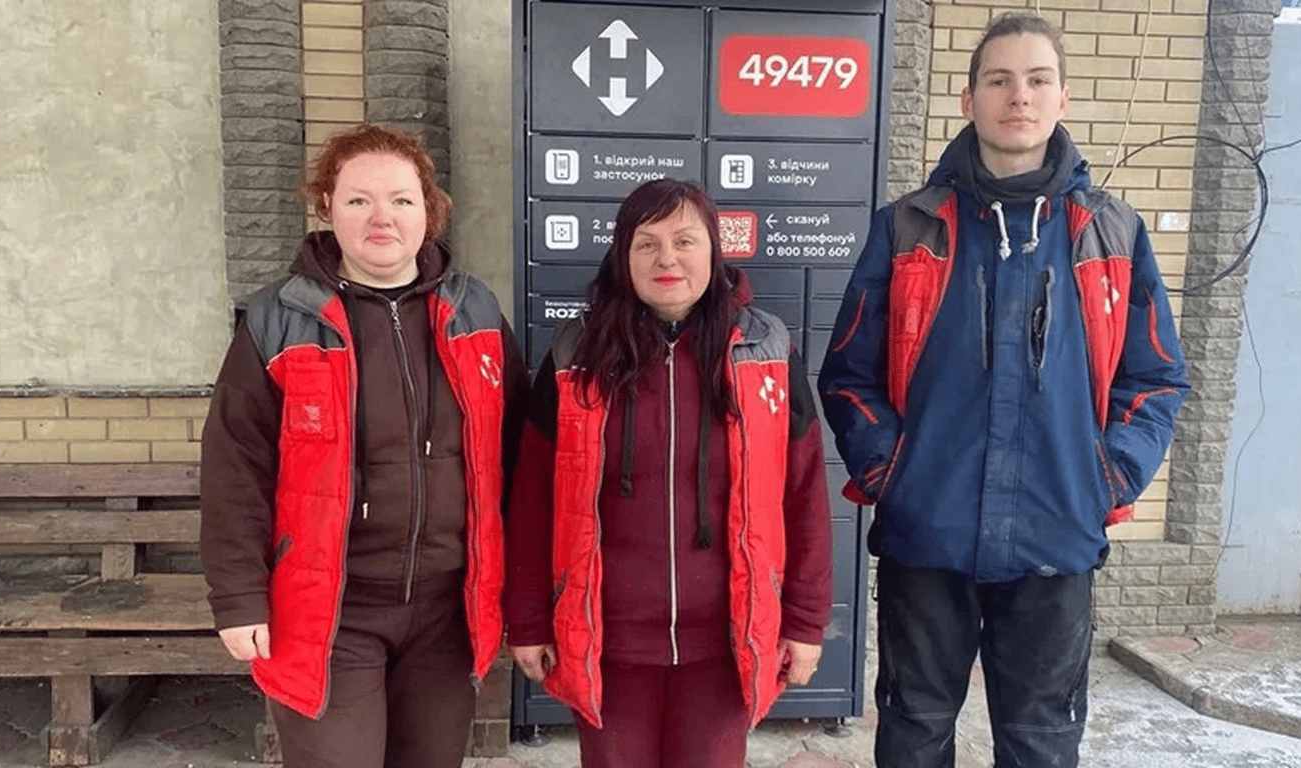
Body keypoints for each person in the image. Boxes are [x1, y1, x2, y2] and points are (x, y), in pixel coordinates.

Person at [817, 13, 1189, 768]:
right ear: (969, 100)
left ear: (1063, 98)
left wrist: (1107, 476)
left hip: (1058, 534)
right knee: (914, 732)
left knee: (1041, 742)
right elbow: (849, 374)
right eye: (999, 80)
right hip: (929, 534)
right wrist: (894, 473)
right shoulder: (908, 228)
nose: (1019, 96)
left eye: (1037, 79)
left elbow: (1155, 379)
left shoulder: (1111, 232)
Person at [199, 124, 528, 768]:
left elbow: (520, 458)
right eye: (358, 199)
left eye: (402, 199)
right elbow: (235, 467)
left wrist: (526, 595)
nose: (382, 217)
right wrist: (237, 597)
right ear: (328, 207)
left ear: (428, 211)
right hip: (330, 613)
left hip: (447, 611)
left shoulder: (476, 311)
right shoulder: (279, 318)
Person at [505, 178, 833, 768]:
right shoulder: (576, 353)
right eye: (647, 243)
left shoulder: (766, 351)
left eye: (685, 241)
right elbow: (534, 498)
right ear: (623, 256)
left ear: (713, 250)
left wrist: (805, 622)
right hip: (607, 640)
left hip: (725, 642)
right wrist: (529, 619)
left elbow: (803, 494)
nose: (667, 259)